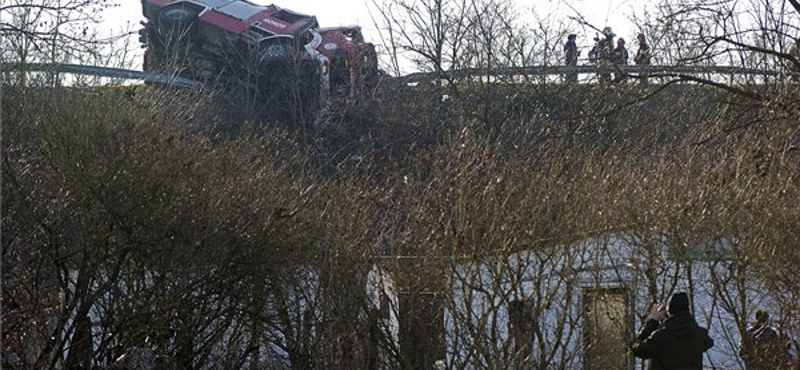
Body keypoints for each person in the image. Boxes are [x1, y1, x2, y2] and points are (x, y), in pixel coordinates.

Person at [632, 292, 714, 370]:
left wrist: (653, 321)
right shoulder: (700, 336)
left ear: (669, 311)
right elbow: (708, 342)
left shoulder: (661, 338)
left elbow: (637, 349)